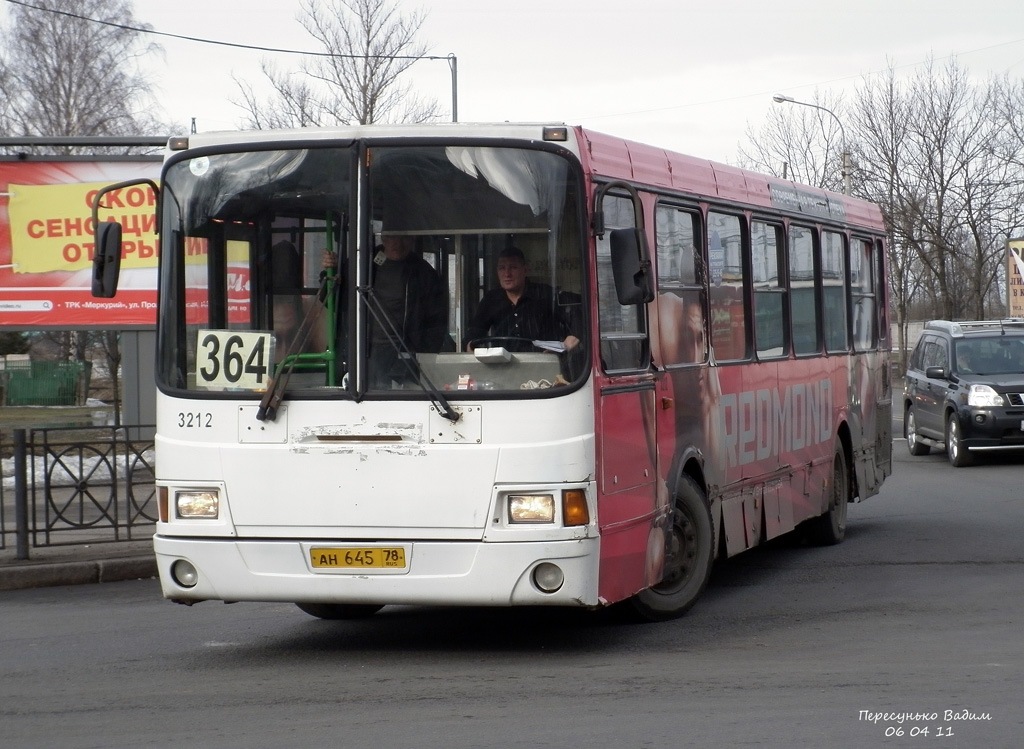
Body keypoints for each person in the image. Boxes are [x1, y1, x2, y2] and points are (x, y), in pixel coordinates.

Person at [465, 246, 579, 352]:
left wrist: (573, 337)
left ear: (525, 270)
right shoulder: (491, 299)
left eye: (513, 267)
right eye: (502, 268)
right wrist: (471, 345)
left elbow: (582, 309)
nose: (507, 274)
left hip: (543, 366)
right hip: (502, 368)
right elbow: (475, 332)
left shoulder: (545, 294)